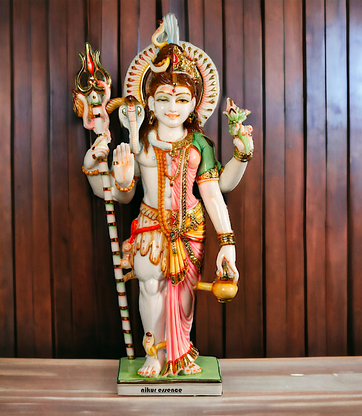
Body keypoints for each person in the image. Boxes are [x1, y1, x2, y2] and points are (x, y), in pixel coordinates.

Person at [82, 40, 252, 377]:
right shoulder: (138, 142)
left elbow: (215, 193)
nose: (172, 108)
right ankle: (154, 354)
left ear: (195, 102)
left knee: (184, 299)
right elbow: (119, 196)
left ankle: (180, 352)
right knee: (149, 287)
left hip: (190, 229)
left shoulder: (199, 143)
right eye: (163, 99)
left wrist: (228, 242)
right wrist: (106, 172)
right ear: (149, 102)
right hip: (150, 224)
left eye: (181, 99)